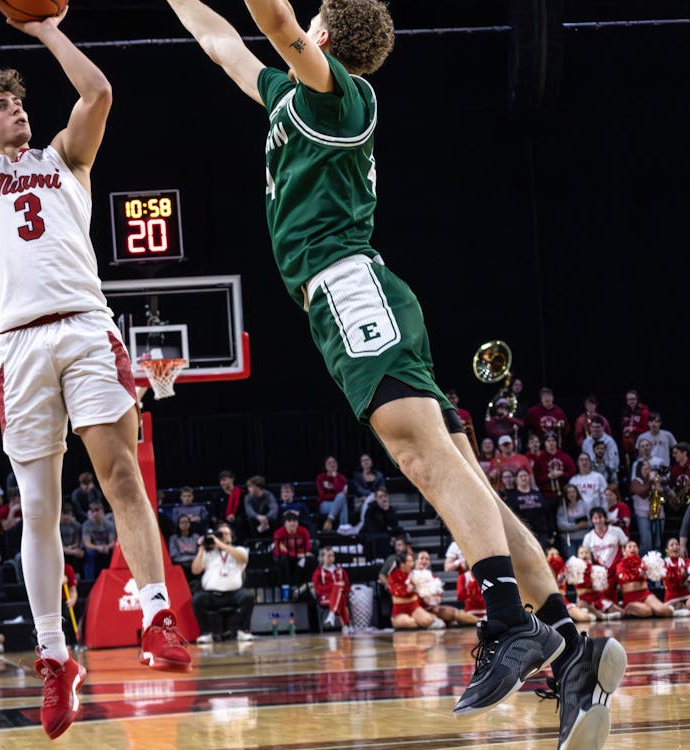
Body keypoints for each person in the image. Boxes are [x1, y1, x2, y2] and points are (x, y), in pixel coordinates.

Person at [167, 0, 621, 736]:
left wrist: (287, 27)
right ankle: (570, 648)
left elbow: (271, 21)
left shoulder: (338, 92)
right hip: (351, 298)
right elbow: (224, 44)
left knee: (419, 455)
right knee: (468, 484)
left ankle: (509, 621)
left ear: (323, 36)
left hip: (350, 286)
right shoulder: (289, 95)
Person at [0, 2, 191, 735]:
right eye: (1, 105)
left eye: (18, 102)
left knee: (122, 476)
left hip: (85, 328)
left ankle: (156, 619)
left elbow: (99, 94)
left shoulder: (63, 159)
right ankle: (56, 655)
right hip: (17, 344)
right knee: (40, 505)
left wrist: (46, 28)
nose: (14, 109)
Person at [191, 523, 254, 644]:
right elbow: (195, 570)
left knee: (248, 596)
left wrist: (221, 545)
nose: (223, 536)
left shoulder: (239, 550)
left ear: (232, 536)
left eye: (226, 534)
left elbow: (243, 559)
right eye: (220, 534)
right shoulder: (209, 553)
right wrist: (201, 549)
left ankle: (243, 631)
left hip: (234, 593)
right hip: (212, 594)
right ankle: (205, 633)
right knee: (197, 599)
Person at [413, 550, 477, 627]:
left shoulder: (434, 578)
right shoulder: (411, 576)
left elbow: (438, 595)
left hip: (433, 609)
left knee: (454, 613)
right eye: (422, 558)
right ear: (416, 561)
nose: (424, 561)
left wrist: (435, 602)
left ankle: (481, 621)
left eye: (427, 559)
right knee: (441, 623)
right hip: (417, 610)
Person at [615, 541, 679, 618]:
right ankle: (628, 609)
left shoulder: (643, 562)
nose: (633, 549)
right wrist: (638, 574)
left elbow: (653, 576)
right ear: (624, 550)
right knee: (647, 611)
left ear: (638, 549)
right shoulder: (620, 565)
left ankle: (674, 611)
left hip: (645, 594)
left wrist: (648, 573)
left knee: (665, 611)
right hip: (631, 598)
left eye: (635, 546)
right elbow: (622, 578)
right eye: (630, 547)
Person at [387, 551, 441, 629]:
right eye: (410, 561)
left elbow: (423, 589)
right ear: (403, 564)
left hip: (414, 606)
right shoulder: (393, 576)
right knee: (408, 622)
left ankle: (424, 621)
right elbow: (396, 590)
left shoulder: (414, 574)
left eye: (412, 561)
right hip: (399, 609)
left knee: (428, 620)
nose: (412, 564)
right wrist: (407, 589)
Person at [502, 468, 551, 550]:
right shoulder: (511, 497)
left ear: (529, 478)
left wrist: (550, 532)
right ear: (516, 479)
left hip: (541, 533)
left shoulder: (538, 494)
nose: (523, 478)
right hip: (522, 534)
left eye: (525, 476)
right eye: (521, 476)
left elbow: (547, 513)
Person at [312, 547, 352, 633]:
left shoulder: (340, 570)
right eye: (329, 556)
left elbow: (348, 586)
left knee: (340, 593)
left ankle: (332, 614)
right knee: (339, 594)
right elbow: (317, 589)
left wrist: (339, 587)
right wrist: (334, 586)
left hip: (340, 595)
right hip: (325, 598)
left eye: (333, 556)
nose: (331, 558)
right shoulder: (318, 572)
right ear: (323, 558)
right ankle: (346, 625)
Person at [629, 460, 664, 553]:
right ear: (639, 470)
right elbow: (643, 493)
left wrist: (657, 484)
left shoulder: (655, 480)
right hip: (642, 515)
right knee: (646, 542)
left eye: (648, 468)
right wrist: (650, 481)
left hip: (657, 513)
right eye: (644, 469)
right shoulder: (636, 481)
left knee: (658, 543)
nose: (647, 471)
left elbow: (662, 494)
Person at [272, 509, 312, 587]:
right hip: (285, 557)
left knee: (310, 559)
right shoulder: (278, 533)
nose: (292, 523)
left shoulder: (304, 531)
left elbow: (307, 548)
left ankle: (306, 587)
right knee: (284, 560)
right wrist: (297, 555)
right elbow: (281, 551)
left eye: (295, 521)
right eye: (289, 521)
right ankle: (286, 588)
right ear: (285, 523)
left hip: (299, 556)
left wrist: (299, 555)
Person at [80, 502, 116, 581]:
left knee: (115, 552)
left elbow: (112, 542)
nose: (94, 514)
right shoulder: (86, 525)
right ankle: (90, 581)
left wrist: (106, 547)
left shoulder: (109, 525)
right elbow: (87, 543)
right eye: (92, 511)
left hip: (107, 547)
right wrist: (98, 548)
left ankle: (113, 579)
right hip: (94, 547)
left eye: (97, 510)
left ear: (102, 511)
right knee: (89, 553)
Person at [534, 432, 575, 498]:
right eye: (548, 441)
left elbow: (573, 472)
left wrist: (562, 473)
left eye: (553, 440)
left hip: (564, 492)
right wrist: (548, 476)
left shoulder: (565, 457)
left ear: (556, 442)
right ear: (544, 443)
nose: (551, 443)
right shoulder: (539, 459)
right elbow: (536, 478)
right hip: (546, 494)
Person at [556, 484, 591, 559]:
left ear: (577, 492)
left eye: (573, 491)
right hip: (570, 540)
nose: (571, 494)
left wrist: (587, 524)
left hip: (584, 538)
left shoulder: (584, 504)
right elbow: (561, 525)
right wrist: (578, 526)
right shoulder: (563, 508)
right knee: (572, 561)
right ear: (565, 494)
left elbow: (591, 521)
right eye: (569, 492)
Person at [315, 456, 349, 531]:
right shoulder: (320, 478)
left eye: (334, 462)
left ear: (337, 464)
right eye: (329, 463)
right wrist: (337, 497)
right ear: (325, 466)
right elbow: (322, 495)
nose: (332, 464)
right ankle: (344, 529)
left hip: (337, 502)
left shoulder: (341, 478)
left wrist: (335, 478)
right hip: (325, 504)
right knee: (341, 501)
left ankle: (330, 519)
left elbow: (342, 493)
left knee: (342, 499)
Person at [619, 390, 651, 464]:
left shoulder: (644, 412)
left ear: (637, 399)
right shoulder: (625, 411)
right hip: (628, 445)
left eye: (633, 399)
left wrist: (633, 429)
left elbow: (647, 430)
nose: (631, 401)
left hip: (641, 445)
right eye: (629, 399)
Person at [168, 514, 201, 580]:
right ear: (178, 524)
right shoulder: (173, 538)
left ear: (190, 524)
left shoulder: (196, 537)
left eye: (186, 522)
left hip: (195, 563)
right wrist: (191, 558)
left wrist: (195, 560)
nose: (184, 524)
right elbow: (174, 556)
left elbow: (200, 553)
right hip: (181, 564)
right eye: (182, 522)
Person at [662, 538, 690, 610]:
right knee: (674, 608)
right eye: (672, 545)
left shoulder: (686, 561)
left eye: (677, 544)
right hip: (671, 597)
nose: (675, 546)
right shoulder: (663, 563)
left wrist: (686, 574)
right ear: (667, 550)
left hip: (686, 595)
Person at [58, 502, 85, 572]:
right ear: (59, 514)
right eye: (64, 514)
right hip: (60, 549)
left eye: (68, 514)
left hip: (72, 548)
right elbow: (57, 544)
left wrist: (73, 547)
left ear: (71, 514)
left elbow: (78, 541)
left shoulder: (76, 525)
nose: (66, 517)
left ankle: (77, 574)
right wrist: (70, 551)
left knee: (82, 553)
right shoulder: (55, 527)